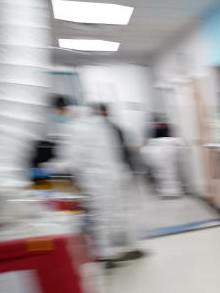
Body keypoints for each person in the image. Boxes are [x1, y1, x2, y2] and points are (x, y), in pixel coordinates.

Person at [42, 103, 144, 267]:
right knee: (119, 214)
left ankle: (106, 255)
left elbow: (72, 160)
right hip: (116, 174)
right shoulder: (101, 124)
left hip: (97, 180)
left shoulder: (75, 128)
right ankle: (127, 247)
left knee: (101, 216)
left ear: (62, 110)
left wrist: (49, 167)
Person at [140, 123, 187, 198]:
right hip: (175, 186)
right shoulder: (173, 142)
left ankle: (165, 191)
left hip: (160, 184)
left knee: (160, 174)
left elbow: (147, 162)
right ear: (167, 132)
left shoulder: (148, 147)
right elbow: (183, 149)